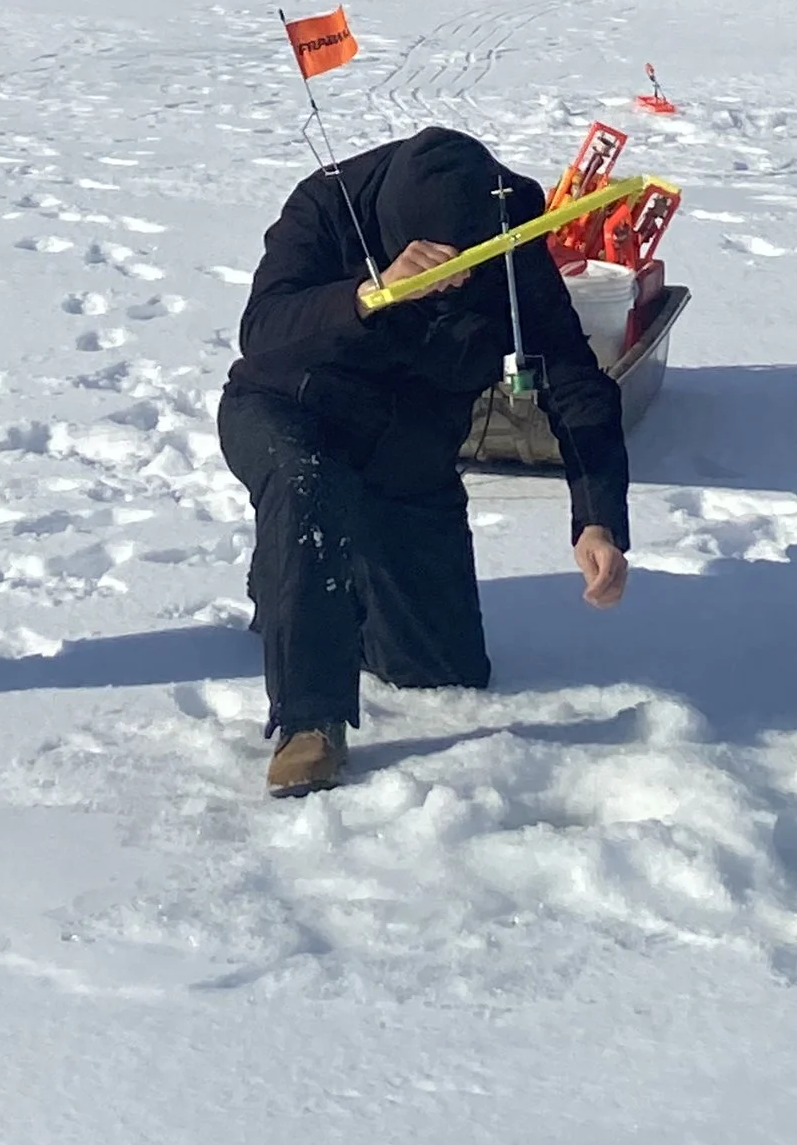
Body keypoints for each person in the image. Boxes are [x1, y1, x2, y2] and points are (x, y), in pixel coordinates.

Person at [219, 127, 631, 797]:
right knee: (309, 487)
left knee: (443, 668)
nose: (454, 283)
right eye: (441, 268)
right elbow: (261, 329)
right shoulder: (325, 206)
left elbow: (574, 377)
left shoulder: (508, 234)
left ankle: (304, 578)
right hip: (287, 411)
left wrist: (598, 518)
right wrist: (367, 293)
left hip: (407, 445)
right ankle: (310, 719)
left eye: (464, 270)